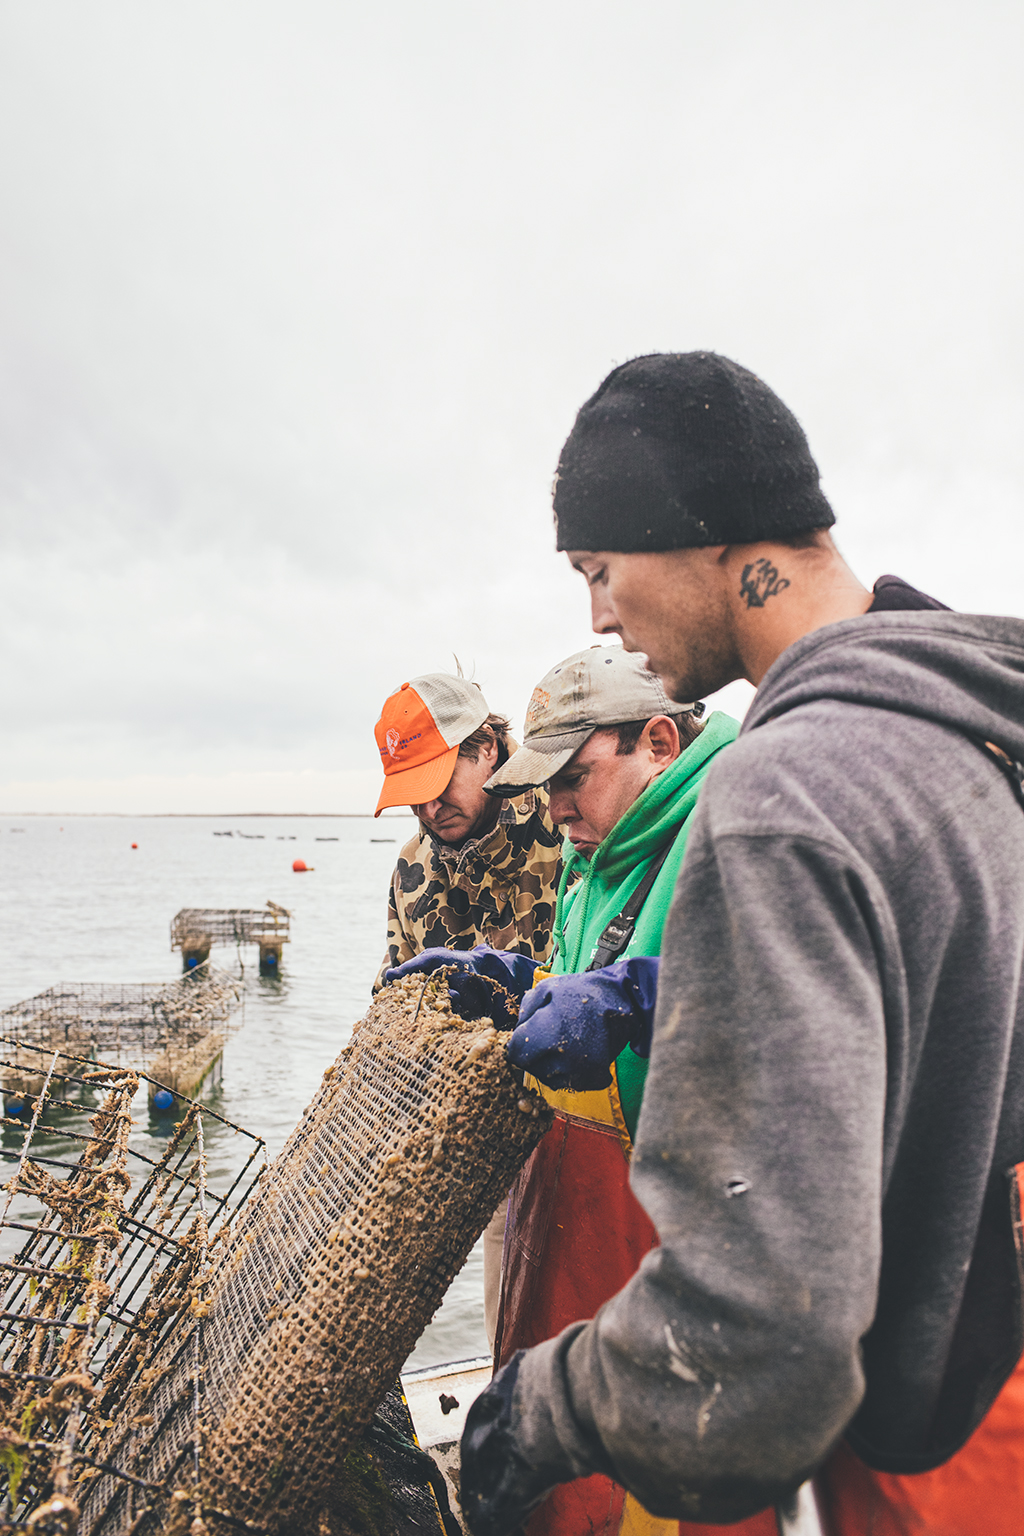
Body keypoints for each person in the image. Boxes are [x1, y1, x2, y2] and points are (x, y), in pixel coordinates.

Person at [459, 352, 1024, 1536]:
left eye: (600, 570)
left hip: (941, 1454)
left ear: (700, 535)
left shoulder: (784, 795)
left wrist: (538, 1410)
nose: (601, 615)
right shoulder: (968, 737)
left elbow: (763, 1341)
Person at [389, 646, 739, 1536]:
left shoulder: (734, 817)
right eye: (544, 788)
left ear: (657, 740)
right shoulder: (599, 842)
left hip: (676, 1251)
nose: (555, 810)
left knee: (660, 1498)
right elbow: (584, 973)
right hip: (569, 1230)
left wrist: (638, 1000)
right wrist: (516, 980)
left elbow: (789, 993)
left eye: (573, 780)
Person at [372, 669, 562, 1349]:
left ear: (486, 747)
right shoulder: (410, 869)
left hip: (591, 1110)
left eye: (436, 786)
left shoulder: (565, 818)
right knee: (509, 1321)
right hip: (488, 1133)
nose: (427, 812)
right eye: (411, 798)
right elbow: (396, 1004)